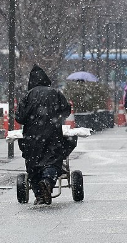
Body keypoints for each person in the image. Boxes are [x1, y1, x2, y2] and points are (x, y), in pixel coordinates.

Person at [16, 65, 76, 205]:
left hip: (32, 138)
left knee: (33, 164)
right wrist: (54, 118)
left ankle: (39, 194)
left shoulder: (28, 95)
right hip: (53, 135)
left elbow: (19, 117)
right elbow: (66, 111)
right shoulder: (55, 93)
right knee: (53, 161)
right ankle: (47, 181)